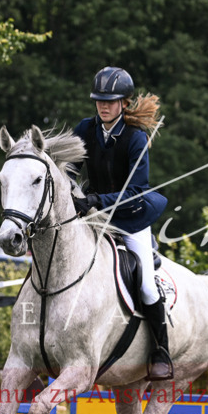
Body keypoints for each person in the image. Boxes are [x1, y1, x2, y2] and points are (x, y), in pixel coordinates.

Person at [72, 66, 172, 380]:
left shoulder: (135, 138)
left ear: (124, 103)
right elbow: (69, 168)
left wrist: (95, 199)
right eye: (99, 100)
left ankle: (161, 350)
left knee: (145, 281)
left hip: (130, 216)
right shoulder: (85, 129)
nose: (103, 106)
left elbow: (135, 191)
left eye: (110, 101)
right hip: (93, 213)